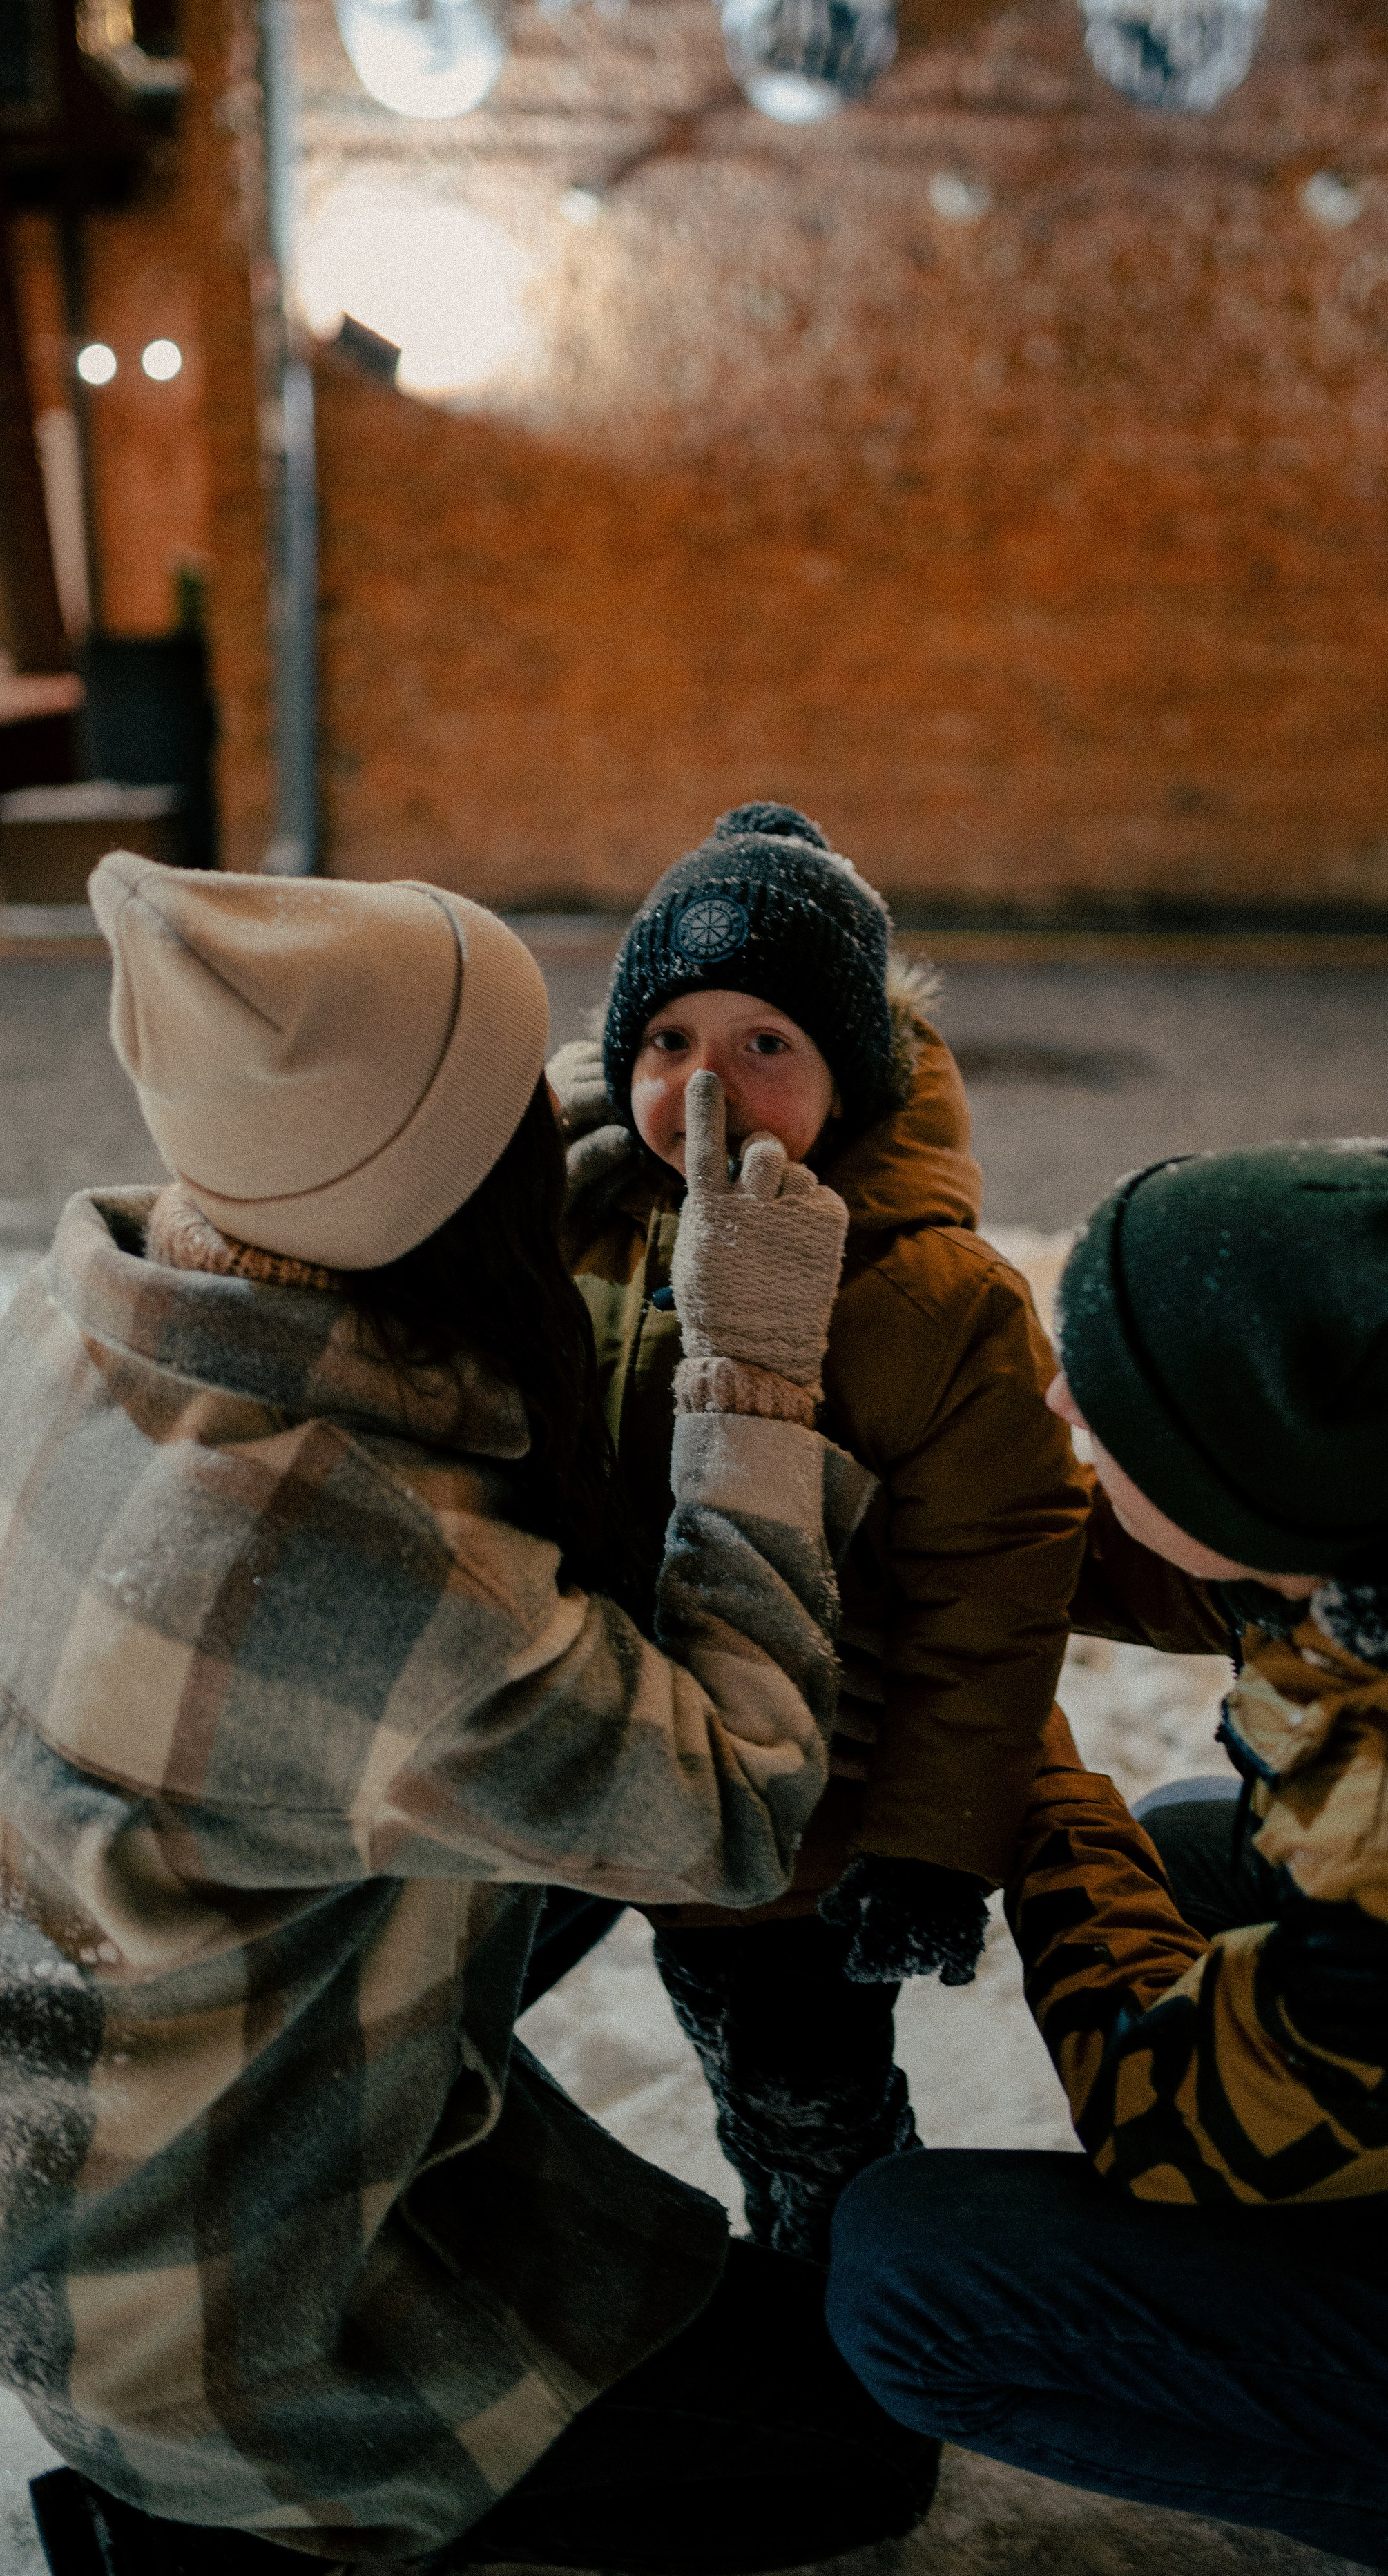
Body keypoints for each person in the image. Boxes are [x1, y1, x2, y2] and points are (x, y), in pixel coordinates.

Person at [0, 854, 936, 2573]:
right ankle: (218, 2535)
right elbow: (732, 1800)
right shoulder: (358, 1580)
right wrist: (753, 1378)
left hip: (53, 2193)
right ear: (457, 1176)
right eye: (513, 1111)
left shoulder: (81, 1317)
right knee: (862, 2452)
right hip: (225, 2334)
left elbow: (362, 1155)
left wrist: (526, 1112)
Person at [828, 1140, 1388, 2572]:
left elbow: (1159, 2118)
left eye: (1105, 1402)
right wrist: (960, 1548)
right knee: (1190, 1844)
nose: (1056, 1404)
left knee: (905, 2287)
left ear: (1249, 1496)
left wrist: (1004, 1741)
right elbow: (1232, 1563)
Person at [550, 802, 1088, 2259]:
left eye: (762, 1046)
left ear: (848, 1072)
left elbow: (995, 1590)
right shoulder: (592, 1215)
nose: (702, 1087)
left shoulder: (929, 1296)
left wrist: (927, 1848)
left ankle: (842, 2320)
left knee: (798, 2099)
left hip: (803, 1830)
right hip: (593, 1756)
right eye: (666, 1044)